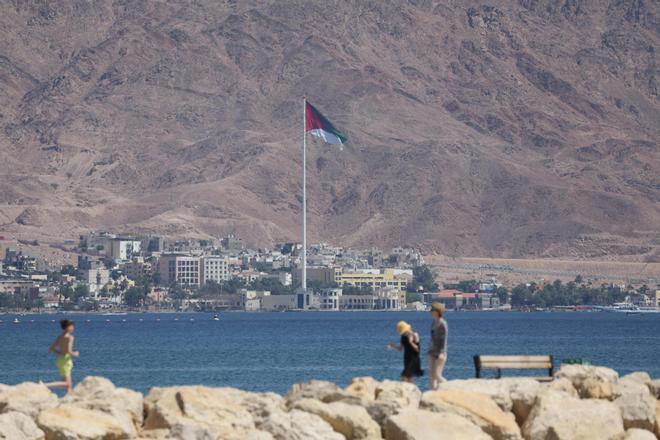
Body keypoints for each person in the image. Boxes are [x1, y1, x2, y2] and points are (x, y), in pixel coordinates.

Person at [45, 319, 79, 393]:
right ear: (68, 327)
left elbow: (51, 349)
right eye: (72, 326)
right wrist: (75, 353)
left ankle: (70, 398)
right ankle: (45, 385)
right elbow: (69, 351)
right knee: (68, 384)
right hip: (66, 361)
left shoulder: (59, 337)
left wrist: (60, 353)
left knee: (68, 385)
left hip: (60, 360)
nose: (73, 328)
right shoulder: (70, 337)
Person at [428, 302, 448, 390]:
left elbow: (443, 339)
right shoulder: (433, 322)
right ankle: (433, 394)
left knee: (437, 375)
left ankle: (450, 387)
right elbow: (432, 338)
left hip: (440, 353)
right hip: (432, 351)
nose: (430, 312)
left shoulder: (443, 323)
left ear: (437, 311)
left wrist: (442, 352)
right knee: (432, 376)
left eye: (432, 310)